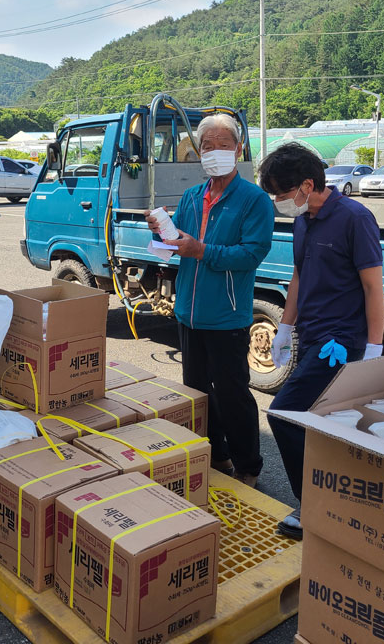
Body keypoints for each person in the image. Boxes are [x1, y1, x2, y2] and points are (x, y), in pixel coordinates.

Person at [259, 142, 384, 539]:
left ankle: (311, 506)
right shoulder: (303, 220)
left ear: (307, 184)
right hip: (312, 336)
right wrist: (285, 327)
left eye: (282, 193)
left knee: (283, 412)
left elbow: (372, 289)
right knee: (318, 422)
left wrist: (373, 350)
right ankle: (334, 498)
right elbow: (298, 276)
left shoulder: (354, 218)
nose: (279, 201)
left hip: (341, 342)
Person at [146, 113, 274, 488]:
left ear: (238, 149)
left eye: (223, 145)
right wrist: (163, 232)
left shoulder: (253, 200)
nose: (214, 152)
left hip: (227, 316)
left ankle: (248, 464)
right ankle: (215, 454)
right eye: (207, 146)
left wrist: (201, 250)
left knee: (234, 395)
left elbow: (251, 254)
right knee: (197, 392)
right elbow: (178, 244)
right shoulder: (192, 196)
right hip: (188, 312)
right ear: (198, 152)